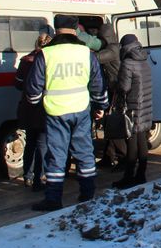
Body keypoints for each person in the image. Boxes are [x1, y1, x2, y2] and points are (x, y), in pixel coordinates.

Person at [24, 14, 108, 211]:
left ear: (56, 29)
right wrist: (100, 107)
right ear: (75, 29)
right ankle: (87, 194)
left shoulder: (46, 54)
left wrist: (36, 103)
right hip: (81, 110)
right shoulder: (86, 52)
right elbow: (98, 84)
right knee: (85, 153)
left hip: (56, 112)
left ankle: (53, 199)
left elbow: (32, 89)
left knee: (56, 156)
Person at [14, 26, 54, 191]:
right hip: (44, 108)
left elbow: (17, 84)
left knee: (30, 143)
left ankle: (28, 176)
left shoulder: (25, 60)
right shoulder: (49, 60)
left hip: (28, 108)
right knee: (43, 144)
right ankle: (40, 178)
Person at [112, 34, 153, 189]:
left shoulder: (128, 63)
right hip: (145, 106)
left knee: (132, 143)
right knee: (142, 141)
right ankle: (141, 174)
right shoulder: (144, 60)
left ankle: (129, 176)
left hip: (133, 107)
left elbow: (124, 87)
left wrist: (114, 84)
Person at [96, 23, 125, 169]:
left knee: (114, 125)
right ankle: (108, 156)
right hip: (112, 90)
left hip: (116, 91)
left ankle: (122, 158)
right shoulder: (113, 47)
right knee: (109, 124)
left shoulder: (112, 49)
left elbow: (96, 58)